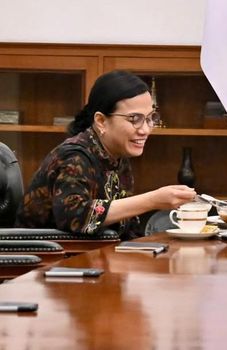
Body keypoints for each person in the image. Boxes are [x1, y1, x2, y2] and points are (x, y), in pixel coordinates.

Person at [16, 71, 196, 240]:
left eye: (150, 118)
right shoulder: (74, 156)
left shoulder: (117, 155)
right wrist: (152, 200)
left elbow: (126, 226)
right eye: (134, 119)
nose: (145, 130)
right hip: (46, 263)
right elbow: (76, 217)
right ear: (101, 121)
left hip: (96, 257)